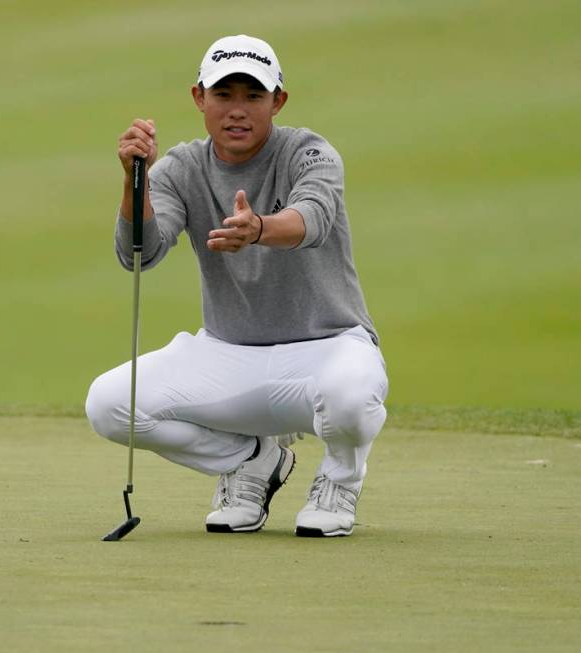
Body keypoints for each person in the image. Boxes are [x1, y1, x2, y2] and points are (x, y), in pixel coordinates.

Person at [85, 35, 389, 537]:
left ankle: (339, 480)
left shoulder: (310, 152)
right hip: (229, 355)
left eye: (254, 96)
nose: (238, 110)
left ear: (278, 101)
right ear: (199, 99)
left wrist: (260, 229)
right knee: (109, 404)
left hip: (327, 347)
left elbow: (312, 219)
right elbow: (141, 252)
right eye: (224, 95)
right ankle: (252, 459)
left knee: (351, 398)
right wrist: (132, 179)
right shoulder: (181, 168)